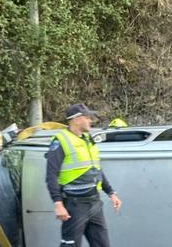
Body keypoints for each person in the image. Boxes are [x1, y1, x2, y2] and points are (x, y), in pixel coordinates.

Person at [46, 103, 122, 247]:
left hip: (94, 203)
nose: (90, 120)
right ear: (76, 119)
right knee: (70, 245)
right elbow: (51, 174)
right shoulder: (61, 140)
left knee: (102, 244)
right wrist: (58, 203)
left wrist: (111, 193)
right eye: (87, 117)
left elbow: (96, 169)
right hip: (74, 204)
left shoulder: (88, 139)